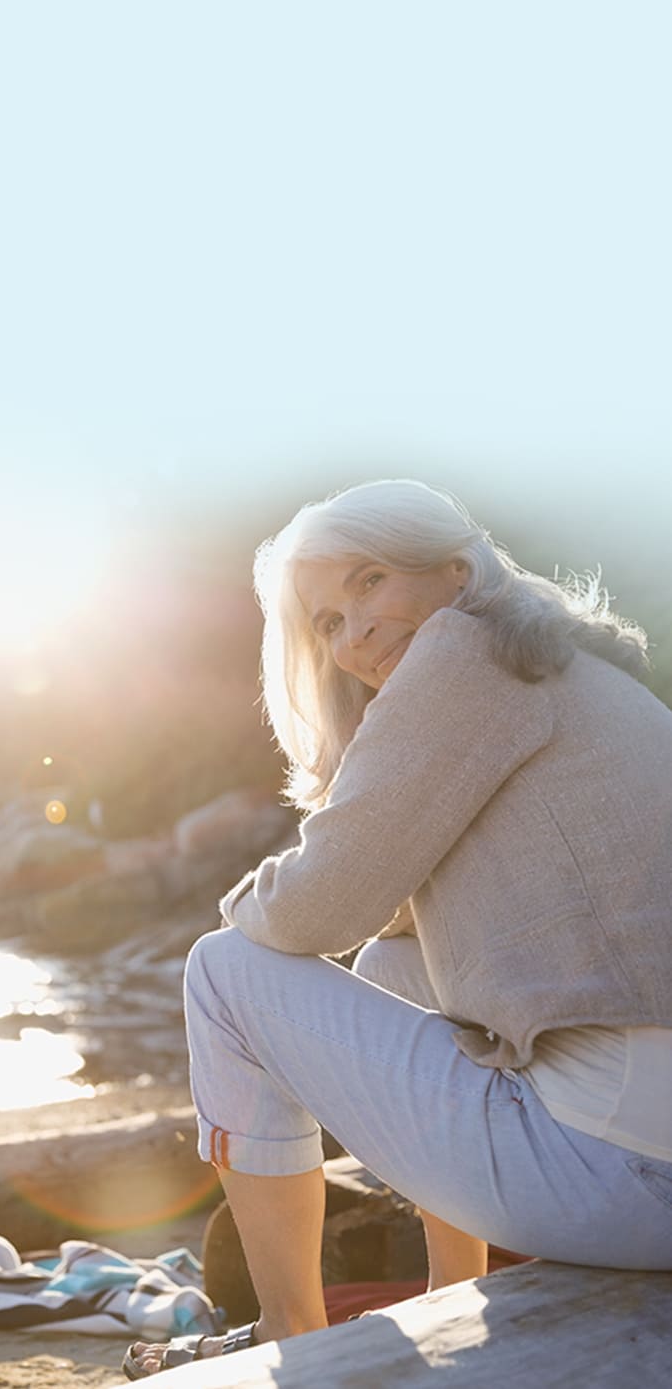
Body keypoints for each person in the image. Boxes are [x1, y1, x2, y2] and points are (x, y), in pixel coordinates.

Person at [124, 478, 672, 1379]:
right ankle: (450, 1286)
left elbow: (315, 908)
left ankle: (290, 1337)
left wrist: (237, 908)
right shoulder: (562, 669)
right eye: (328, 622)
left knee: (223, 971)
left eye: (370, 581)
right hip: (645, 1158)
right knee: (397, 964)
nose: (355, 634)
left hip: (622, 1175)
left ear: (456, 568)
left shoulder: (465, 652)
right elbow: (374, 922)